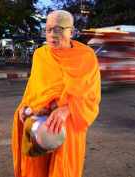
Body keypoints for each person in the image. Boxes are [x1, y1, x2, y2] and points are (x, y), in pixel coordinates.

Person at [11, 10, 101, 177]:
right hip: (38, 125)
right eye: (48, 29)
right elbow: (33, 90)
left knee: (62, 170)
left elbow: (91, 97)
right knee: (36, 169)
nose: (52, 35)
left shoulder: (86, 57)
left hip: (68, 127)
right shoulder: (40, 55)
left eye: (58, 29)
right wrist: (25, 108)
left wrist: (66, 109)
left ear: (71, 32)